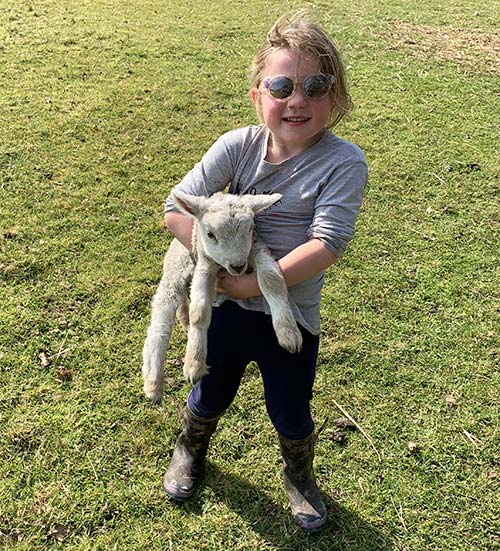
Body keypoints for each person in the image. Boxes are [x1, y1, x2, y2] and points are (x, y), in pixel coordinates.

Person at [160, 11, 368, 532]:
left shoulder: (343, 162)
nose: (297, 99)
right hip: (225, 310)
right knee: (210, 389)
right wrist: (213, 265)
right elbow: (174, 209)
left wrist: (251, 282)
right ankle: (190, 446)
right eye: (281, 85)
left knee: (290, 406)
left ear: (334, 96)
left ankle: (299, 474)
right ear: (258, 95)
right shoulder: (237, 147)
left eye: (315, 85)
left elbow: (327, 244)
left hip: (290, 313)